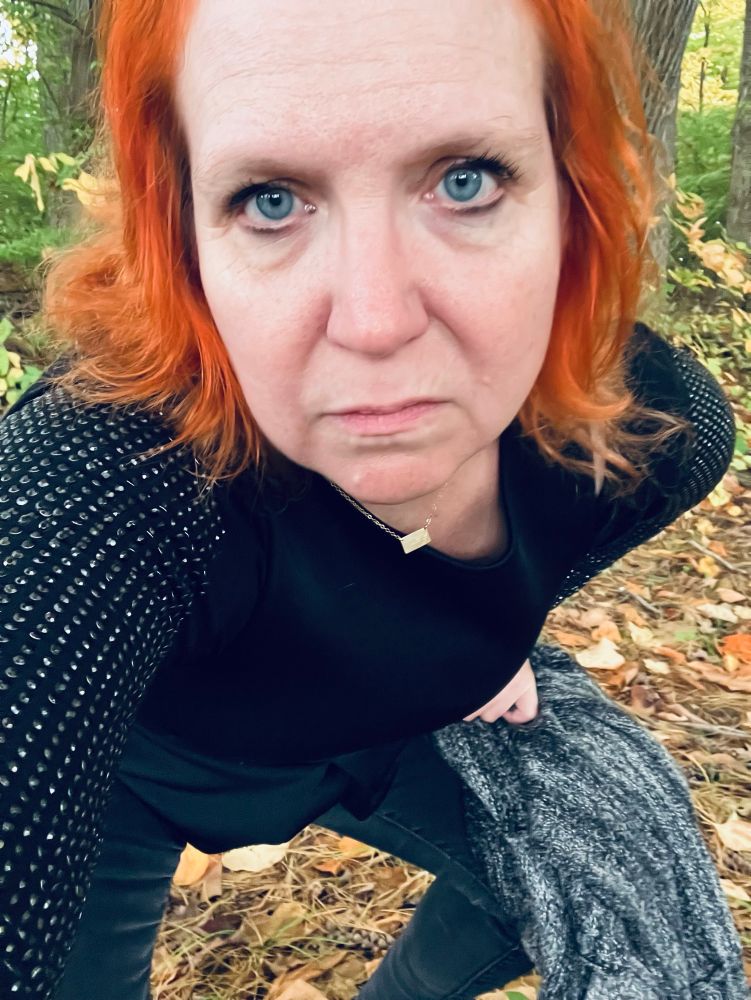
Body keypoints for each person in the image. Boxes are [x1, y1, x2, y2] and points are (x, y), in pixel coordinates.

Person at [0, 0, 736, 997]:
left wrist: (493, 631)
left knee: (581, 870)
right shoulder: (107, 475)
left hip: (383, 734)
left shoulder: (655, 432)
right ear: (183, 239)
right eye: (270, 199)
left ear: (574, 200)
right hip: (139, 768)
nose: (376, 321)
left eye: (464, 181)